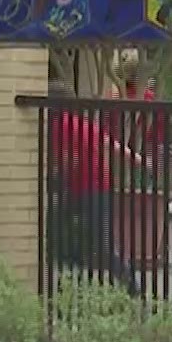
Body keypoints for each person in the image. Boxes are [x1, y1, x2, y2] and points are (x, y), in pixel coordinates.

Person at [45, 81, 145, 295]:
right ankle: (77, 285)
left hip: (88, 189)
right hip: (91, 188)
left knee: (95, 243)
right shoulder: (77, 122)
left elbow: (68, 159)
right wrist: (137, 159)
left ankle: (130, 286)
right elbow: (108, 142)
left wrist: (53, 172)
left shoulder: (62, 125)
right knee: (89, 241)